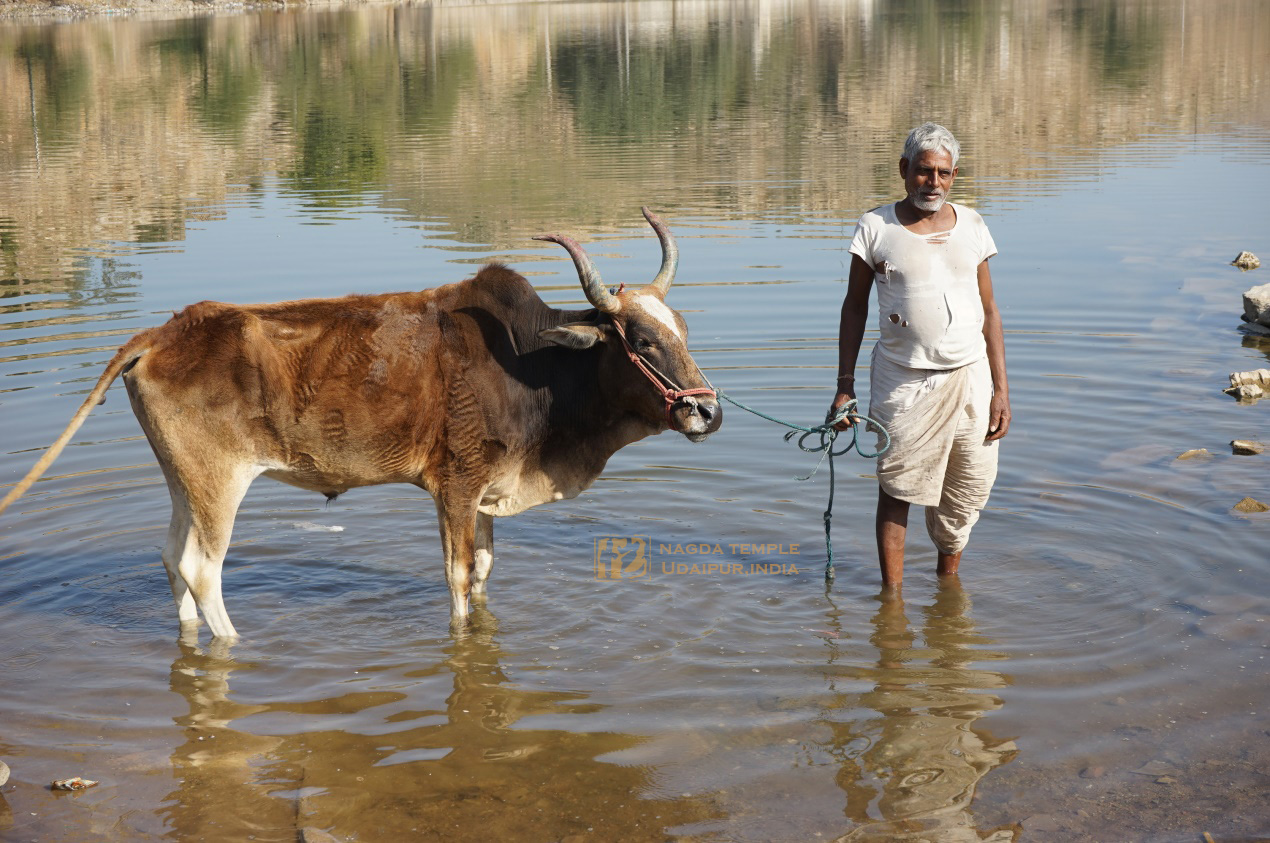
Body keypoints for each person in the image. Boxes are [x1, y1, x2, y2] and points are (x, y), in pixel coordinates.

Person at [829, 122, 1010, 588]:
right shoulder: (875, 227)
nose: (934, 183)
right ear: (905, 169)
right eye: (925, 171)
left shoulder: (971, 224)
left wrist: (1001, 392)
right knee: (897, 488)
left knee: (968, 490)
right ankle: (892, 600)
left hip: (971, 379)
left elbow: (990, 311)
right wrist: (844, 387)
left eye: (945, 174)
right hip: (904, 381)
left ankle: (947, 584)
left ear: (954, 175)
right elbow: (854, 307)